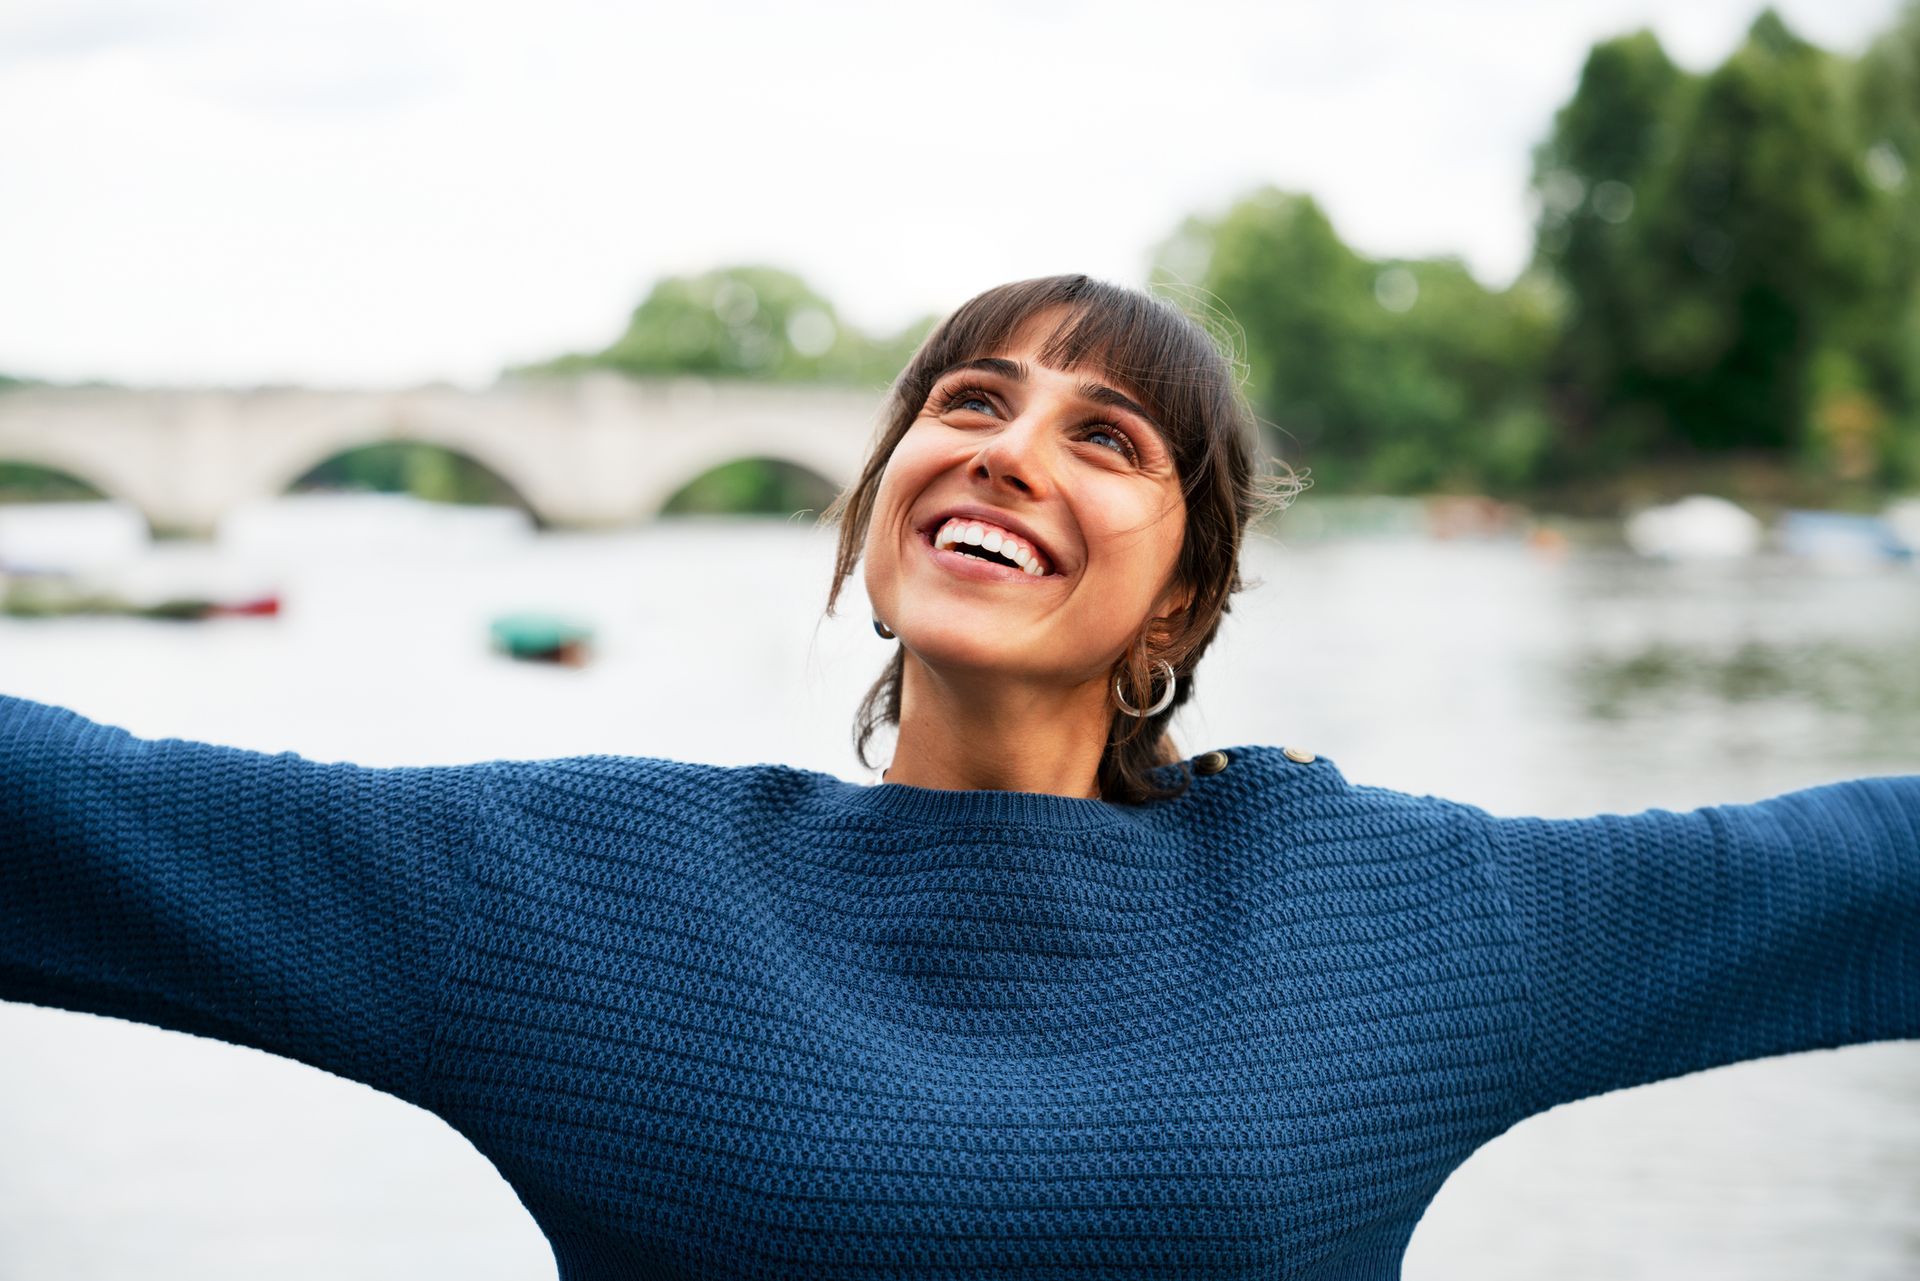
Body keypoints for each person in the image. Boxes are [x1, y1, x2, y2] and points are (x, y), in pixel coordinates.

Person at [2, 273, 1917, 1280]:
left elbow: (1839, 868)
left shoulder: (1370, 912)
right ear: (883, 504)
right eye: (969, 401)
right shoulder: (594, 892)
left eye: (1108, 436)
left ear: (1185, 595)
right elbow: (96, 807)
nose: (1006, 448)